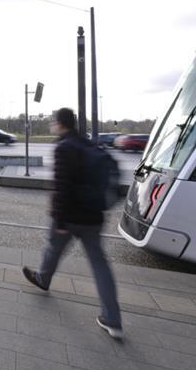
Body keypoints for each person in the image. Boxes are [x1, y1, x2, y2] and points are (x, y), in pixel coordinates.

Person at [22, 107, 123, 339]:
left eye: (53, 122)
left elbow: (62, 187)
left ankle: (43, 279)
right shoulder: (88, 144)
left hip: (69, 217)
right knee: (100, 266)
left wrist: (59, 219)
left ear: (60, 123)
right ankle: (113, 320)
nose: (52, 125)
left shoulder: (64, 147)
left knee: (53, 247)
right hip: (93, 217)